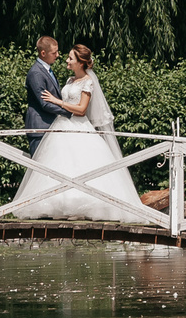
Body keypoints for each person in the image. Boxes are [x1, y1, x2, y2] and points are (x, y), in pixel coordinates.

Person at [9, 44, 143, 221]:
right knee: (60, 165)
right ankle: (59, 205)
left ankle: (84, 205)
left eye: (70, 58)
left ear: (80, 63)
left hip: (79, 127)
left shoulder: (88, 82)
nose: (66, 60)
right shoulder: (70, 81)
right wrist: (59, 103)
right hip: (61, 127)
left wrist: (58, 102)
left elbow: (81, 110)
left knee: (81, 165)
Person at [22, 35, 65, 155]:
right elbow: (44, 104)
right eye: (54, 53)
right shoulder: (36, 73)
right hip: (40, 128)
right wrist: (68, 112)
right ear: (43, 53)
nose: (57, 55)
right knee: (39, 167)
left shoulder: (47, 70)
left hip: (50, 127)